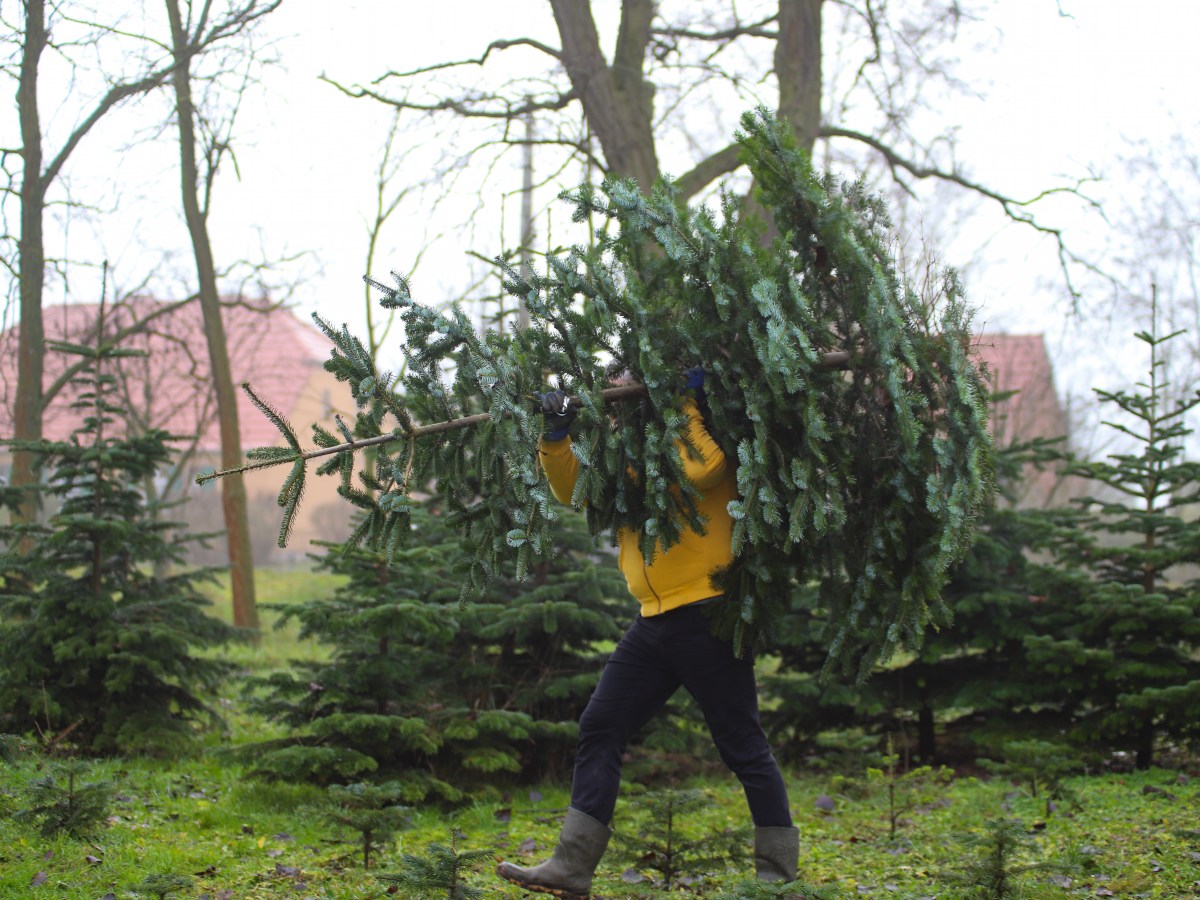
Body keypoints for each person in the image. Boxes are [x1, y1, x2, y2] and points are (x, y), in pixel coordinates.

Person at [497, 371, 799, 899]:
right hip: (653, 620)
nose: (615, 406)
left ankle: (777, 881)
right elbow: (578, 493)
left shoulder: (698, 434)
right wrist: (555, 438)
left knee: (743, 747)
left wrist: (678, 398)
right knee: (600, 726)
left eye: (626, 392)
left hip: (709, 611)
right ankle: (571, 867)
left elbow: (706, 470)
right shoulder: (628, 459)